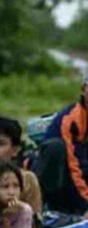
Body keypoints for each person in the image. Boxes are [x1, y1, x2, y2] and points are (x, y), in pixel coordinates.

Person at [35, 75, 88, 214]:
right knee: (56, 148)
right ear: (84, 89)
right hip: (59, 176)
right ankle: (46, 211)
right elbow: (72, 166)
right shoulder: (69, 119)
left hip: (80, 175)